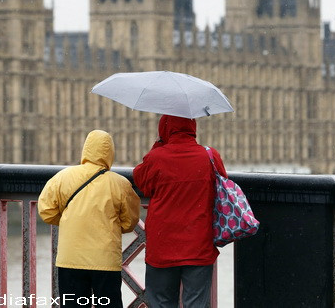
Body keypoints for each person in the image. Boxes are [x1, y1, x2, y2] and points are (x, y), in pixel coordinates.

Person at [38, 129, 140, 308]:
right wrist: (112, 226)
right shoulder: (120, 184)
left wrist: (70, 220)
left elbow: (46, 211)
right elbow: (130, 221)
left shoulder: (62, 177)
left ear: (86, 150)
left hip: (71, 258)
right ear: (110, 153)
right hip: (105, 260)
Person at [132, 114, 227, 308]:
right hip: (198, 244)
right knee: (196, 304)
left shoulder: (156, 157)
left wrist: (159, 145)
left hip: (162, 245)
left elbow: (142, 181)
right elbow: (221, 186)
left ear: (164, 130)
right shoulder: (209, 156)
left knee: (161, 302)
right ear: (193, 127)